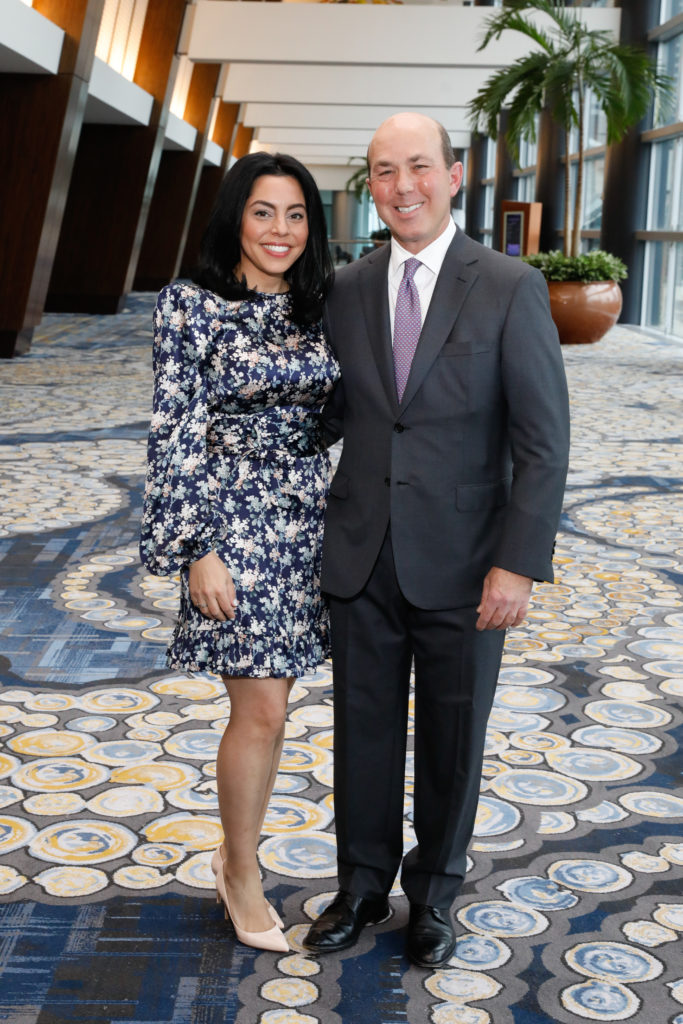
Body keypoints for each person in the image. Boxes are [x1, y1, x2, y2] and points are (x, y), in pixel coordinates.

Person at [303, 113, 570, 967]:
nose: (402, 186)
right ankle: (359, 887)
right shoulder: (346, 288)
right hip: (362, 552)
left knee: (454, 736)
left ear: (454, 177)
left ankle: (435, 896)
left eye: (419, 167)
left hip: (467, 562)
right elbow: (334, 413)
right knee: (363, 730)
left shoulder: (506, 284)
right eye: (384, 171)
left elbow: (542, 440)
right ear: (370, 187)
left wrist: (518, 562)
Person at [140, 152, 338, 954]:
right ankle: (241, 871)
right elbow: (173, 430)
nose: (280, 231)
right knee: (258, 708)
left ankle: (235, 849)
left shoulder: (322, 304)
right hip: (229, 523)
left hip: (308, 524)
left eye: (295, 216)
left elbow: (340, 410)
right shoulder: (189, 306)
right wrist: (197, 551)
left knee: (279, 704)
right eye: (264, 213)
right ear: (234, 217)